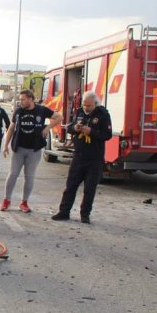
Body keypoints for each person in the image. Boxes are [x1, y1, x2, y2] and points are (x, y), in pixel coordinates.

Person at [51, 92, 112, 224]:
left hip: (94, 159)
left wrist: (91, 132)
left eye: (89, 105)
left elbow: (107, 135)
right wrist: (75, 128)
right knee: (70, 186)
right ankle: (64, 212)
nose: (86, 107)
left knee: (89, 189)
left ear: (95, 104)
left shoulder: (103, 115)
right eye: (84, 104)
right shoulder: (79, 112)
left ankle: (85, 215)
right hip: (79, 156)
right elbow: (70, 128)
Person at [1, 89, 63, 213]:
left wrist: (48, 127)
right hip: (18, 148)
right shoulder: (18, 111)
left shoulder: (41, 110)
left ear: (30, 99)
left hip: (34, 150)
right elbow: (11, 128)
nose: (21, 102)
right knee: (13, 174)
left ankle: (24, 202)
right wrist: (6, 145)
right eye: (20, 99)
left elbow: (59, 117)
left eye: (23, 99)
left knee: (29, 176)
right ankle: (6, 200)